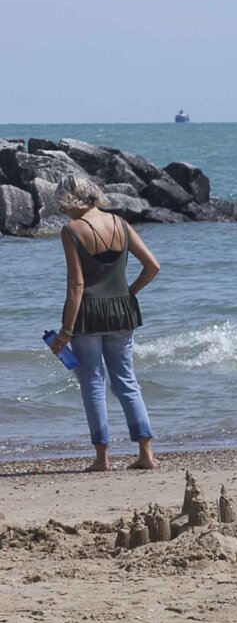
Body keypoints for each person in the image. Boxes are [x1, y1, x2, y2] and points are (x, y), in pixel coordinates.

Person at [46, 173, 160, 473]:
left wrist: (65, 331)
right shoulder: (121, 224)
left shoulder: (71, 230)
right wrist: (128, 293)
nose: (63, 209)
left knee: (93, 384)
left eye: (62, 203)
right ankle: (146, 453)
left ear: (70, 199)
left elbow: (76, 285)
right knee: (126, 381)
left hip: (88, 315)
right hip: (123, 312)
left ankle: (102, 458)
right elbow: (153, 266)